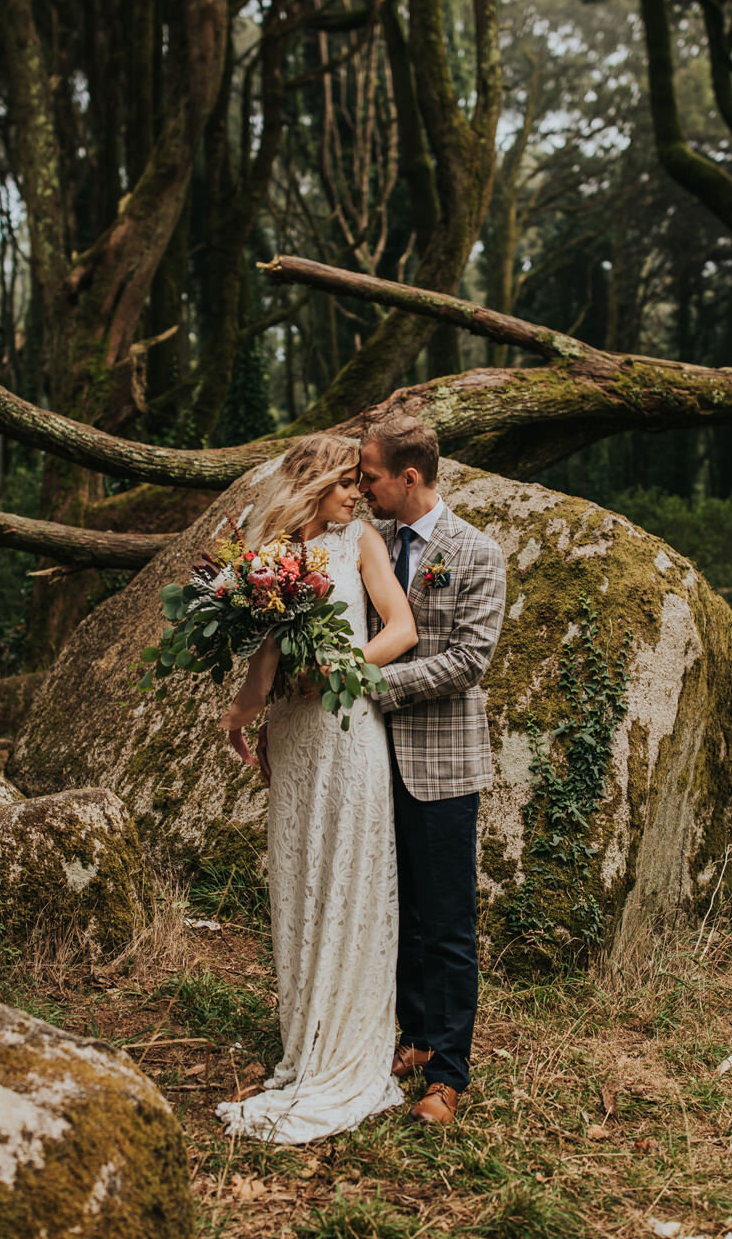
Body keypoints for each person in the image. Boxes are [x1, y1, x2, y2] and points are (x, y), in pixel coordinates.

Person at [213, 433, 418, 1143]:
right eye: (345, 484)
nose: (357, 493)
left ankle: (348, 1049)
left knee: (348, 876)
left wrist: (343, 663)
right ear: (313, 484)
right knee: (300, 877)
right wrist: (245, 712)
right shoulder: (270, 553)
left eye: (360, 484)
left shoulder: (359, 539)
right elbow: (267, 653)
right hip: (295, 732)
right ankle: (305, 1043)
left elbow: (402, 629)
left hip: (347, 722)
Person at [356, 414, 507, 1126]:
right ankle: (414, 1039)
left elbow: (470, 660)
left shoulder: (477, 552)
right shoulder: (371, 544)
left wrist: (371, 685)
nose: (362, 490)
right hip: (369, 758)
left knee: (448, 923)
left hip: (444, 765)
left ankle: (449, 1073)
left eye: (371, 477)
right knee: (401, 914)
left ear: (408, 477)